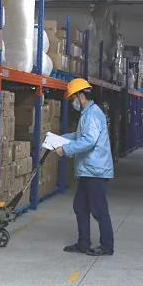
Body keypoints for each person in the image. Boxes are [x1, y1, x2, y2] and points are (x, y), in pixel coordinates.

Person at [55, 78, 114, 256]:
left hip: (95, 170)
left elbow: (89, 141)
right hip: (87, 170)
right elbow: (80, 135)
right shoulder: (87, 113)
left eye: (73, 98)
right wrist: (59, 139)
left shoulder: (93, 114)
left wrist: (65, 149)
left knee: (99, 209)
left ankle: (107, 246)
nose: (72, 102)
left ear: (81, 96)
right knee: (80, 206)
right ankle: (83, 243)